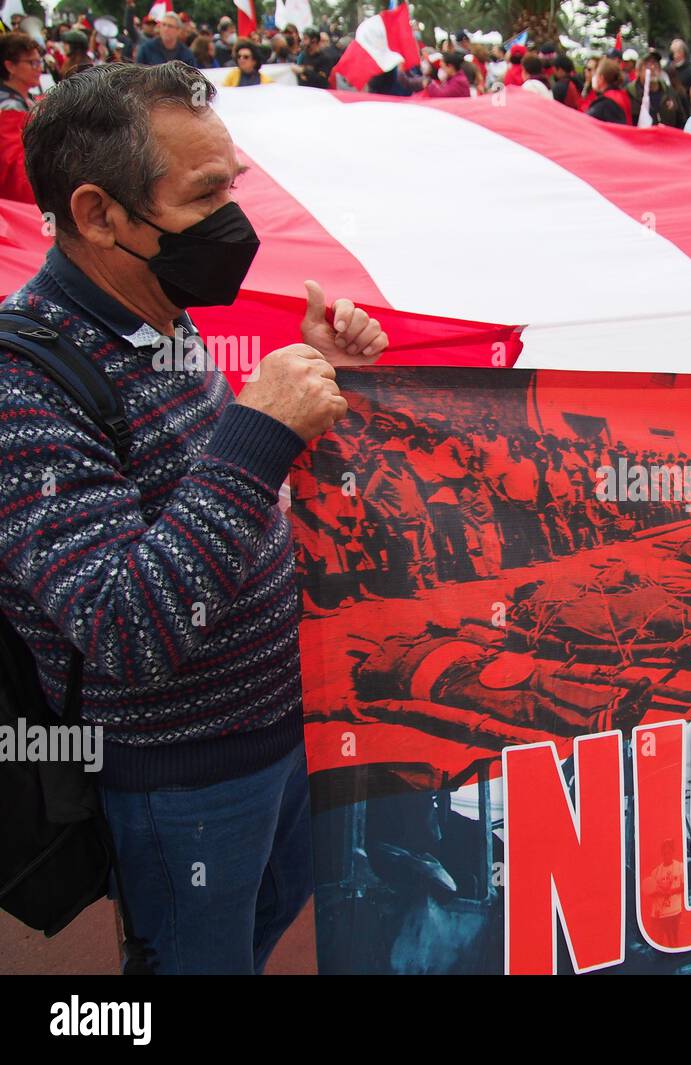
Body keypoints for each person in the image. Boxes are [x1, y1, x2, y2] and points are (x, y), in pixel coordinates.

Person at [1, 62, 388, 973]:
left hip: (279, 727)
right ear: (97, 214)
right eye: (205, 193)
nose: (233, 220)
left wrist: (317, 373)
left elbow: (211, 493)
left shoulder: (155, 314)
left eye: (234, 184)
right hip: (183, 776)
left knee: (261, 926)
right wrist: (259, 430)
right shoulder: (21, 382)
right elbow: (125, 631)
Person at [0, 30, 41, 111]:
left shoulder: (27, 99)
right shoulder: (10, 107)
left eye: (39, 62)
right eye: (33, 63)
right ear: (10, 66)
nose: (39, 69)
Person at [586, 57, 631, 125]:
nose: (594, 77)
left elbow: (586, 122)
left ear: (601, 78)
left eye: (596, 74)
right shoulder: (622, 95)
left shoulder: (604, 103)